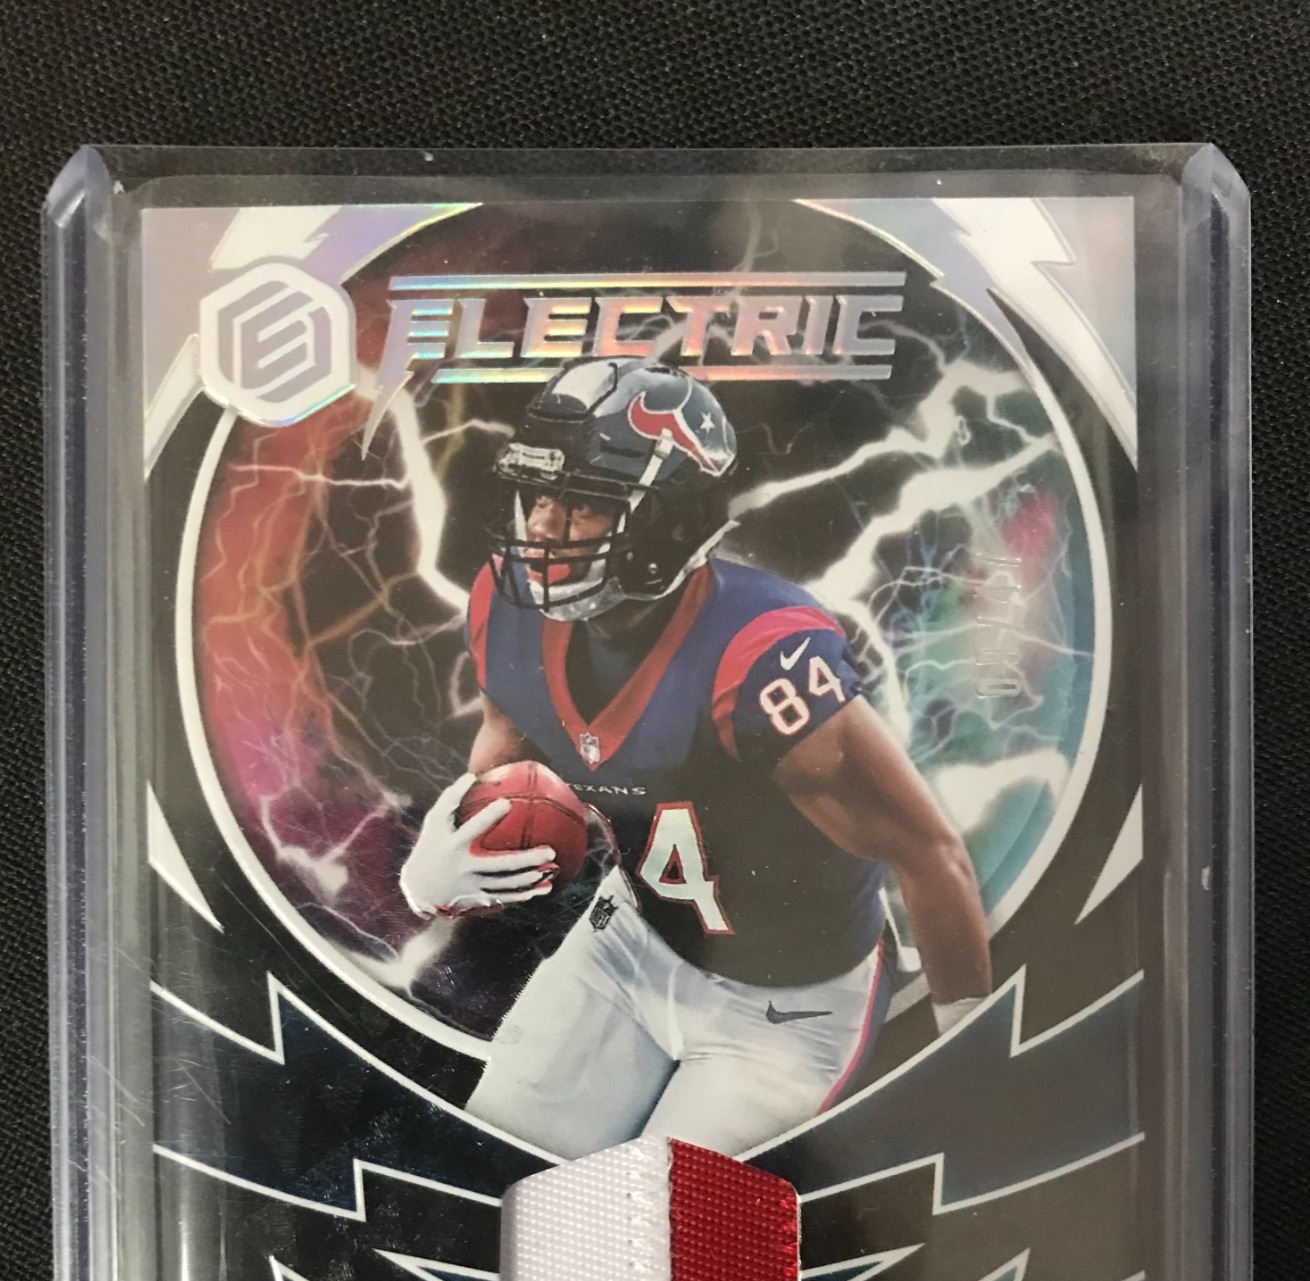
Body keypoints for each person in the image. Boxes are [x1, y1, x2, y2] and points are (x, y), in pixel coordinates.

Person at [399, 358, 990, 1158]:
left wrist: (967, 1059)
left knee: (658, 1221)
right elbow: (506, 757)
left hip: (787, 1006)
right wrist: (441, 857)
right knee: (491, 1175)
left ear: (668, 524)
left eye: (580, 503)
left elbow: (930, 854)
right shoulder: (506, 606)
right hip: (628, 941)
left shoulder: (759, 657)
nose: (541, 527)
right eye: (538, 495)